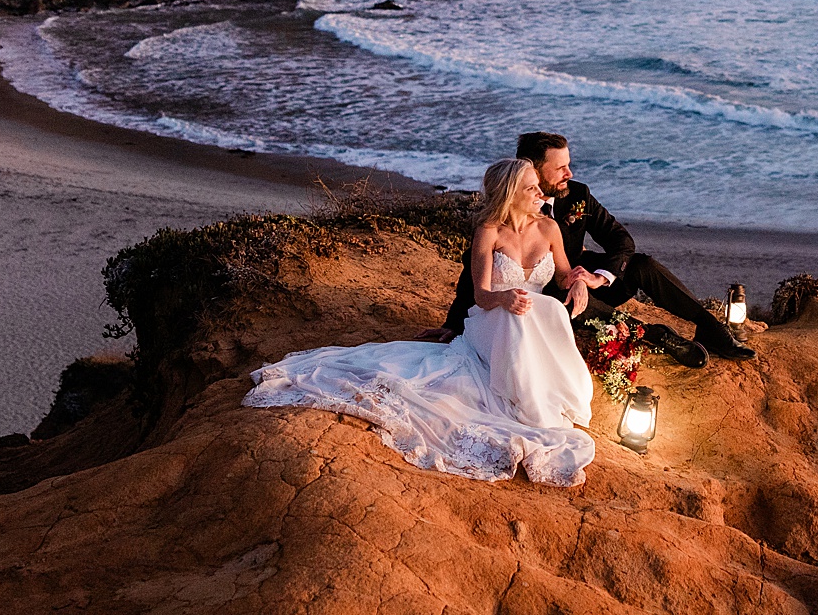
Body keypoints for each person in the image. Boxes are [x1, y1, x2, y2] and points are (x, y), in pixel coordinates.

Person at [244, 158, 597, 486]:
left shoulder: (549, 228)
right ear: (510, 194)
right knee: (515, 317)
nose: (540, 193)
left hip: (532, 321)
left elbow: (565, 275)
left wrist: (579, 282)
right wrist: (504, 298)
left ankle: (542, 388)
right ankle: (524, 396)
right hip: (492, 319)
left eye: (538, 186)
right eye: (531, 188)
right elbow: (481, 296)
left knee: (545, 307)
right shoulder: (489, 231)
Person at [439, 132, 755, 365]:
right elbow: (478, 271)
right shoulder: (496, 224)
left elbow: (621, 240)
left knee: (641, 264)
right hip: (542, 299)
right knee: (559, 303)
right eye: (560, 167)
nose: (569, 173)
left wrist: (596, 278)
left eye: (569, 165)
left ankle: (711, 327)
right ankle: (655, 335)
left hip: (577, 279)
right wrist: (454, 324)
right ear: (533, 169)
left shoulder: (577, 195)